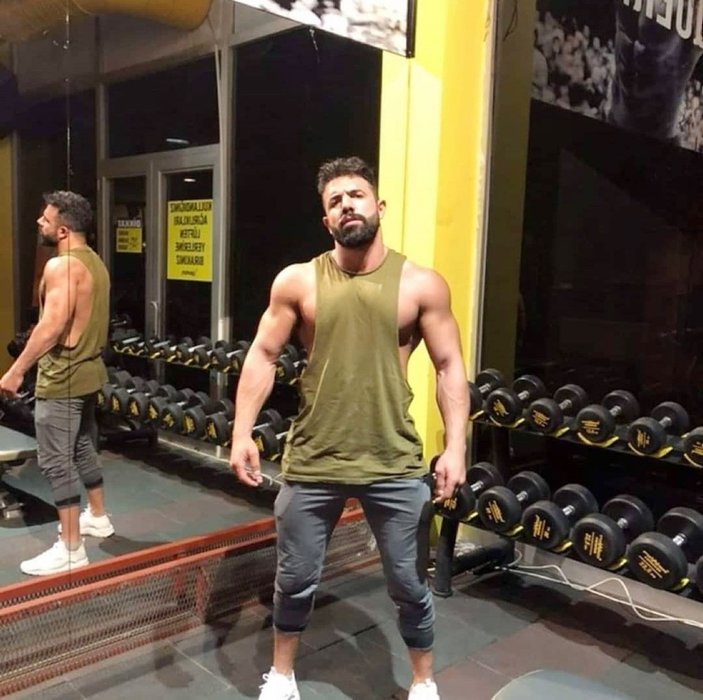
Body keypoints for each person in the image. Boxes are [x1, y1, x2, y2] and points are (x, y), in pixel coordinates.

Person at [229, 156, 469, 700]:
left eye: (356, 195)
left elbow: (449, 365)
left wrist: (455, 447)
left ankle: (423, 682)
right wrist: (242, 432)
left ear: (378, 205)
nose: (347, 206)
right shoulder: (298, 281)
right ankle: (282, 676)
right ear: (326, 221)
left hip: (393, 458)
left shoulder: (420, 284)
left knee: (408, 584)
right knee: (294, 579)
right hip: (315, 457)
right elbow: (263, 354)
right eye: (335, 201)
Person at [0, 191, 114, 576]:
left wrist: (17, 370)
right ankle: (97, 516)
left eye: (45, 219)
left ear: (63, 230)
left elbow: (51, 326)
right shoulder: (94, 262)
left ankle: (70, 549)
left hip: (62, 376)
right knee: (81, 446)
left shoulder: (61, 266)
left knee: (54, 461)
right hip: (88, 373)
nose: (39, 222)